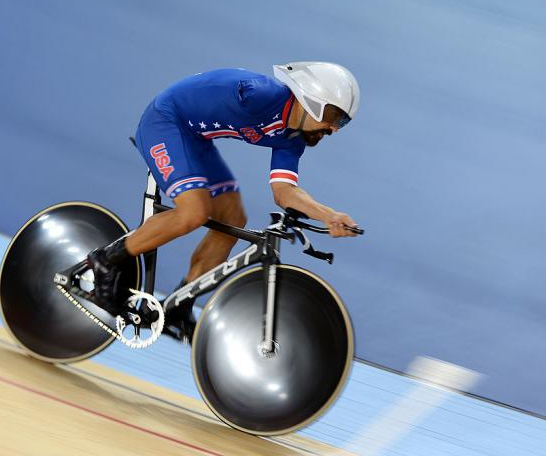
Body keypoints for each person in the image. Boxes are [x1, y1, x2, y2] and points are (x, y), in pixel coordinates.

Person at [86, 61, 362, 340]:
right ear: (309, 98)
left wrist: (328, 215)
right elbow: (235, 85)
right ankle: (106, 261)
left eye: (343, 121)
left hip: (195, 140)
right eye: (334, 116)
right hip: (165, 122)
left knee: (233, 219)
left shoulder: (293, 139)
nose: (334, 128)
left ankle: (180, 304)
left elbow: (284, 192)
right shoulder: (264, 94)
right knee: (194, 212)